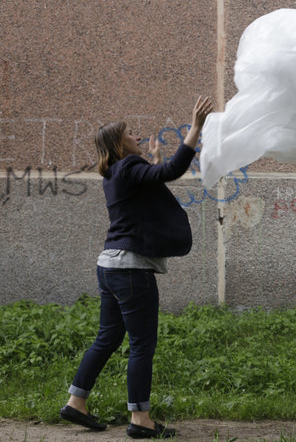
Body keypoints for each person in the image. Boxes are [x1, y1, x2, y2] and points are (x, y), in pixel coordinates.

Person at [59, 96, 214, 439]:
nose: (137, 136)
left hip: (109, 265)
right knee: (142, 344)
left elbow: (155, 179)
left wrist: (156, 159)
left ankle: (76, 402)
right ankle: (140, 419)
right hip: (130, 269)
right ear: (118, 144)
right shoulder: (128, 167)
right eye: (130, 134)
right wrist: (197, 128)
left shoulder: (115, 173)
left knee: (108, 336)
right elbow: (172, 172)